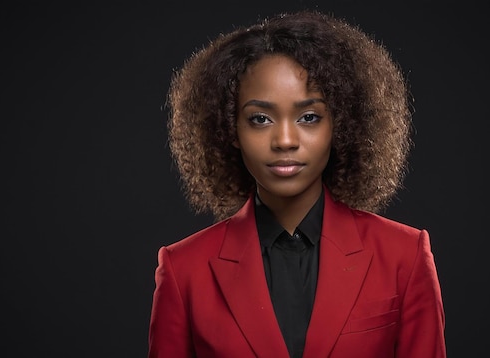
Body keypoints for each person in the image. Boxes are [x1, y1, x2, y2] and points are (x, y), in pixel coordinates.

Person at [148, 9, 446, 358]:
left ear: (342, 124)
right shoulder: (184, 270)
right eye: (260, 119)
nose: (285, 140)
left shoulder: (403, 257)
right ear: (230, 130)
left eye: (309, 117)